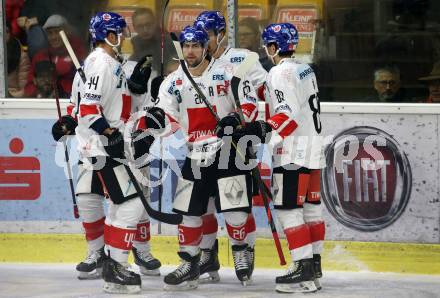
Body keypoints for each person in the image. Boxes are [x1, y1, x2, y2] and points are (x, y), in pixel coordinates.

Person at [51, 12, 159, 294]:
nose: (123, 36)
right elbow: (87, 109)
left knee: (125, 204)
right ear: (110, 35)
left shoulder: (111, 63)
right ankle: (115, 265)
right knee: (130, 203)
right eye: (119, 32)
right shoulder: (101, 62)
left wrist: (136, 91)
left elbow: (109, 107)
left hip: (110, 146)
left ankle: (114, 263)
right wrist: (109, 134)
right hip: (105, 149)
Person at [150, 25, 259, 290]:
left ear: (205, 47)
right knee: (189, 212)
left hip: (229, 150)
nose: (190, 51)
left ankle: (242, 249)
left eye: (196, 46)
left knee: (235, 214)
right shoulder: (173, 81)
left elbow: (250, 105)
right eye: (186, 46)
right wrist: (148, 126)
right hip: (195, 154)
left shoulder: (227, 74)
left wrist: (234, 119)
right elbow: (164, 116)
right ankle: (190, 262)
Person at [193, 10, 267, 283]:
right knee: (204, 206)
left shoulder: (242, 59)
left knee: (236, 204)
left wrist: (240, 118)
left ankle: (242, 248)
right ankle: (208, 253)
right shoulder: (193, 63)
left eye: (209, 35)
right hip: (201, 144)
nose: (203, 40)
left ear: (221, 34)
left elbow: (263, 92)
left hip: (234, 141)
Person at [255, 22, 326, 293]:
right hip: (314, 149)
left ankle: (302, 267)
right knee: (312, 210)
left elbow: (287, 113)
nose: (267, 51)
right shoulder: (305, 68)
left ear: (274, 47)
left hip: (293, 152)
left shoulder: (279, 71)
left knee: (289, 210)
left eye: (268, 46)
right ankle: (314, 266)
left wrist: (265, 133)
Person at [25, 14, 87, 98]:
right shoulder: (40, 57)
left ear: (67, 32)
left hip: (71, 103)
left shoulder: (78, 54)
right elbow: (29, 88)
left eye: (58, 32)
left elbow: (86, 84)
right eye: (50, 33)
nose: (54, 37)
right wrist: (40, 91)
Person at [129, 7, 173, 73]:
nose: (145, 30)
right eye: (140, 26)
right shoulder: (136, 41)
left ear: (155, 23)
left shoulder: (168, 40)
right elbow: (135, 60)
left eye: (148, 24)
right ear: (134, 27)